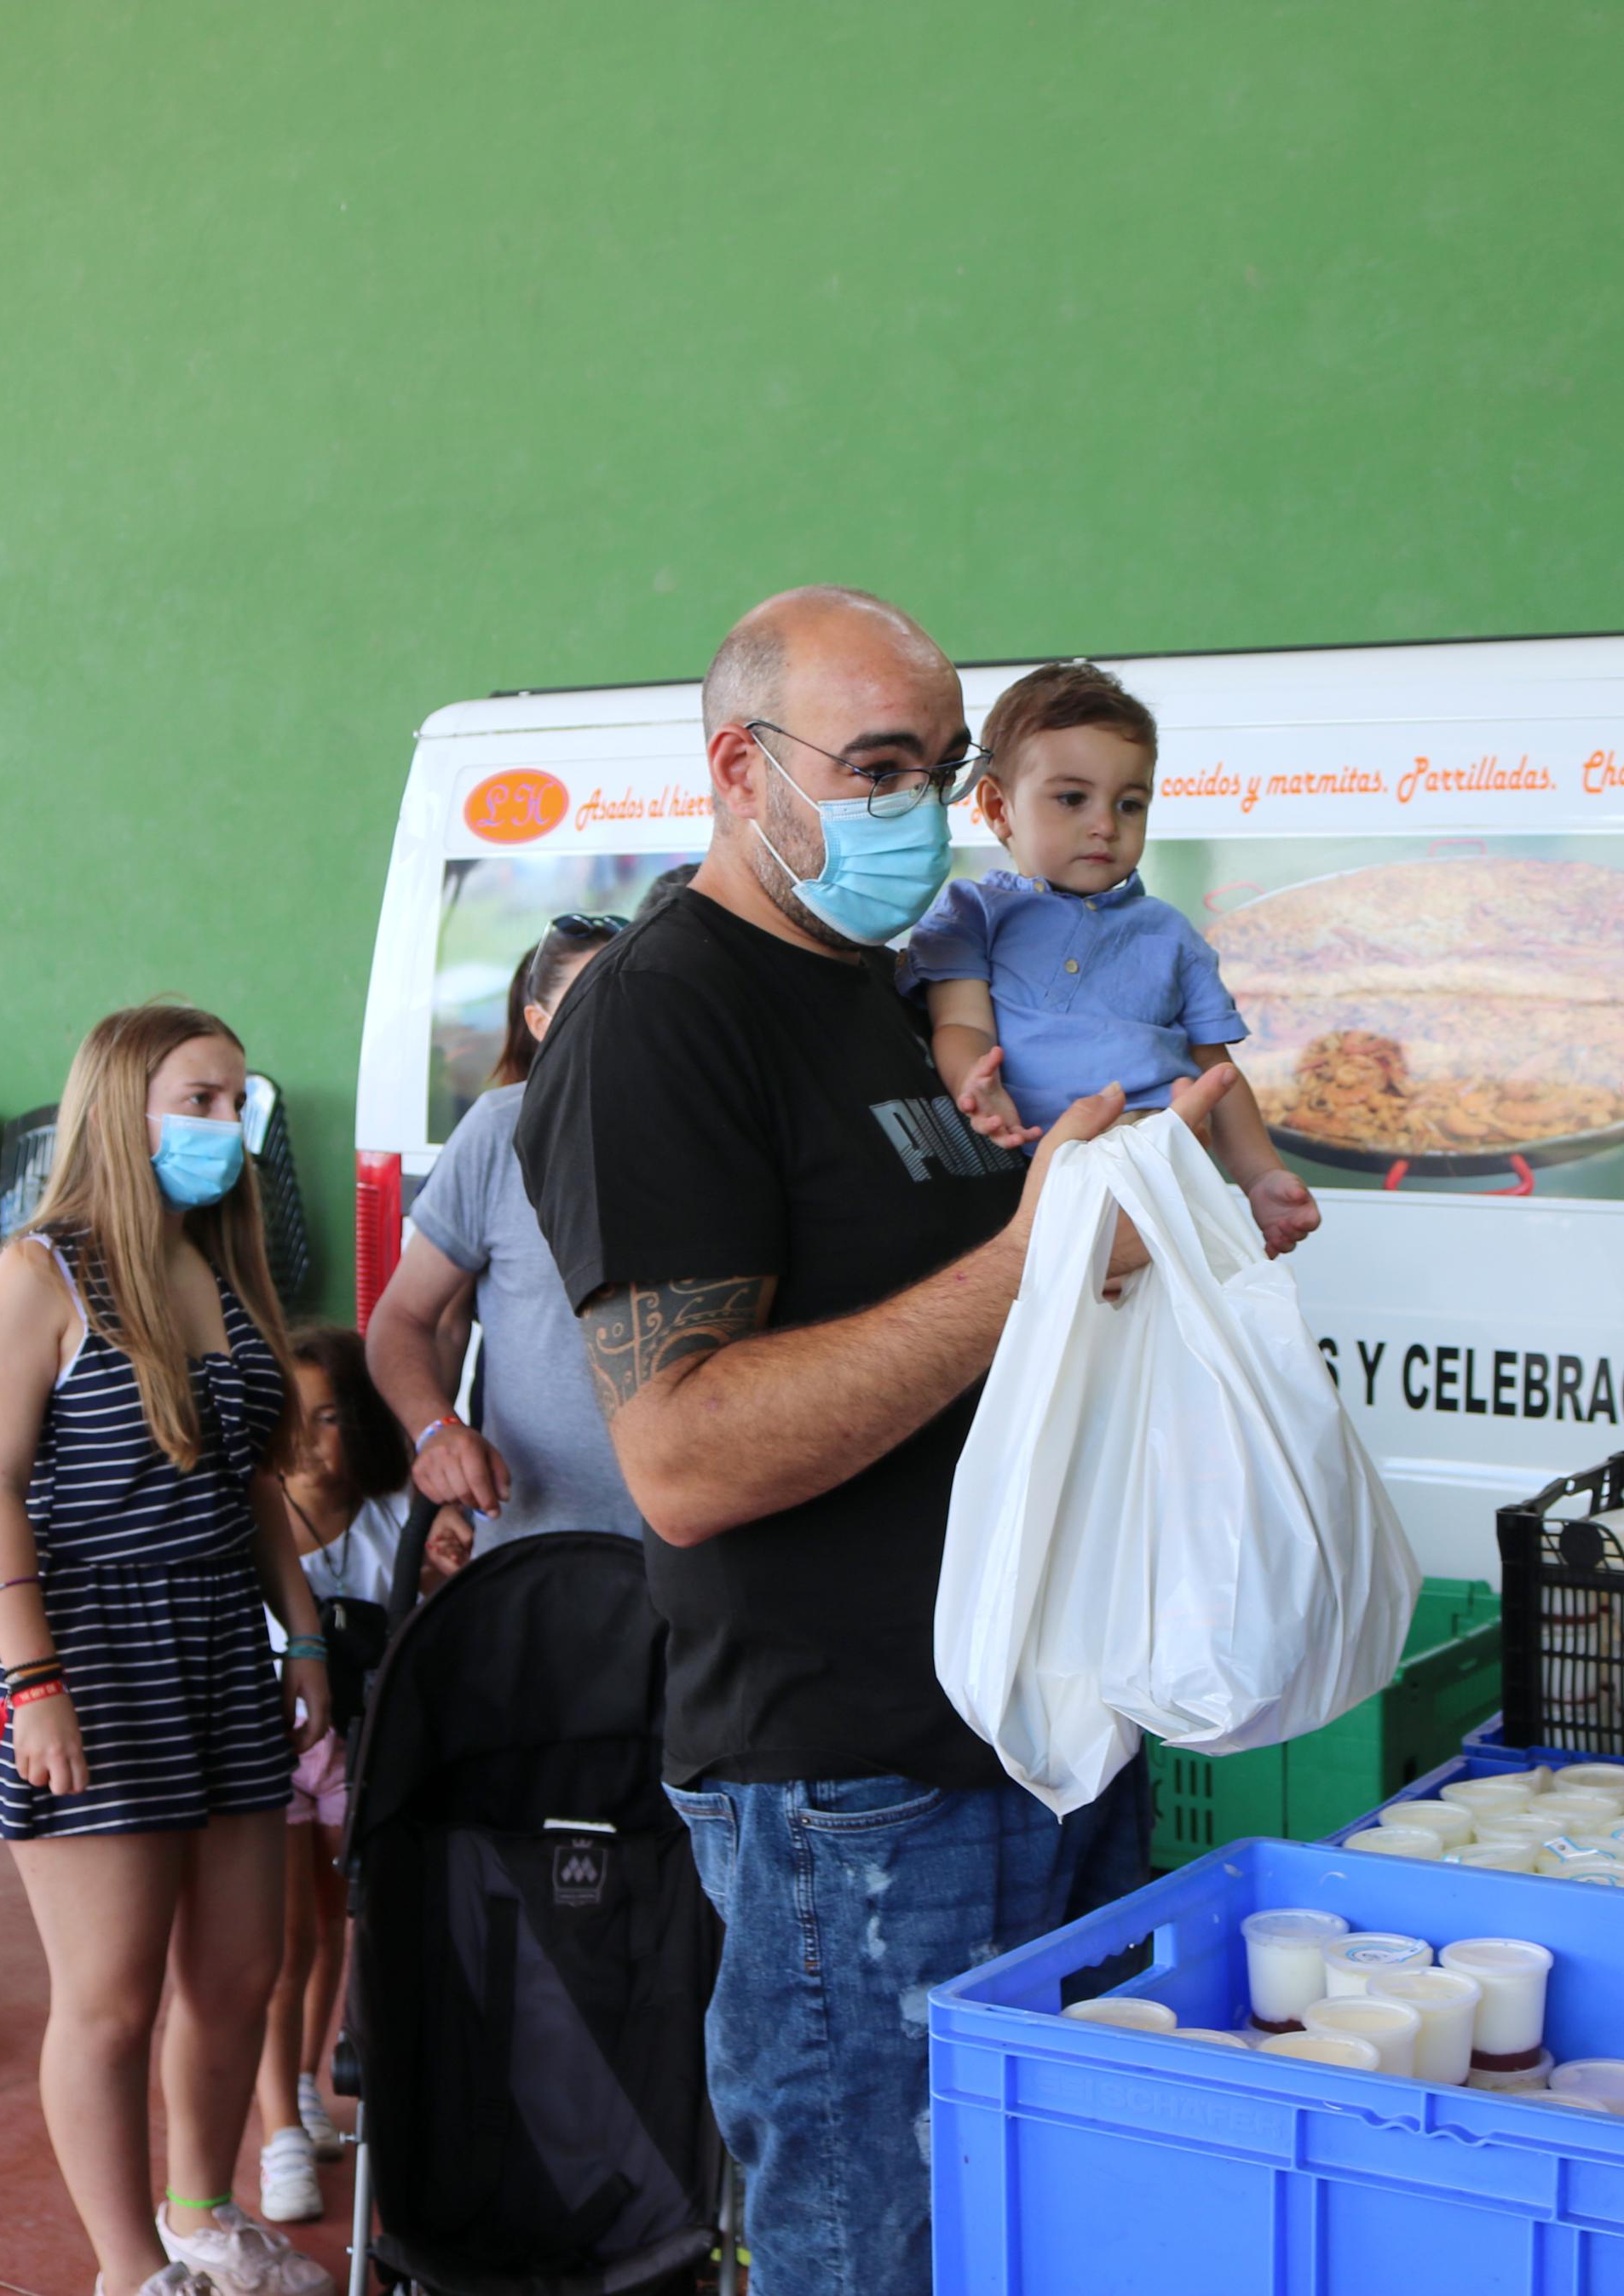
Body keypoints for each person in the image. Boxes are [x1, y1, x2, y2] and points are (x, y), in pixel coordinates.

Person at [514, 586, 1218, 2294]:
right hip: (848, 1801)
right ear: (739, 769)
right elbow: (678, 1452)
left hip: (1028, 1737)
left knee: (1036, 2247)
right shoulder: (662, 1020)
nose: (920, 809)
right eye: (879, 767)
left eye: (939, 766)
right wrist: (1029, 1263)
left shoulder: (885, 996)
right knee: (875, 2260)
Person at [0, 1002, 337, 2296]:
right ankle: (130, 2270)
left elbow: (250, 1483)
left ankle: (200, 2216)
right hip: (90, 1650)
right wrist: (34, 1680)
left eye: (237, 1102)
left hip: (218, 1648)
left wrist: (299, 1635)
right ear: (122, 1107)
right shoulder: (38, 1275)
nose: (227, 1126)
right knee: (111, 1996)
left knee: (239, 1968)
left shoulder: (219, 1267)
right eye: (200, 1099)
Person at [906, 658, 1322, 1258]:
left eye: (1129, 804)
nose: (1103, 825)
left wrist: (1260, 1177)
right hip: (1026, 1184)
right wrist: (973, 1081)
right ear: (999, 810)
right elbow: (960, 1022)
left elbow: (1217, 1074)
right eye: (1071, 798)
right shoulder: (972, 912)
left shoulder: (1170, 933)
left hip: (1160, 1175)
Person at [369, 913, 646, 1551]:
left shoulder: (714, 1126)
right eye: (585, 1002)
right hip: (538, 1549)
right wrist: (436, 1432)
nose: (614, 1023)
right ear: (539, 1024)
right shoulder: (500, 1132)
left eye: (632, 994)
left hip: (693, 1556)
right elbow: (408, 1318)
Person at [248, 1324, 427, 2226]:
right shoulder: (254, 1510)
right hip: (272, 1749)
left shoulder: (397, 1517)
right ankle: (278, 2124)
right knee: (280, 1946)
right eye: (290, 1416)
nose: (307, 1440)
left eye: (327, 1417)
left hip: (358, 1751)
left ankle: (306, 2084)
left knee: (330, 1934)